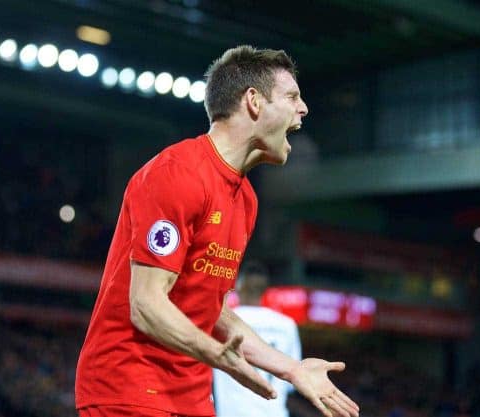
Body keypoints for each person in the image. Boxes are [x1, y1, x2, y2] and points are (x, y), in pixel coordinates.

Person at [75, 45, 359, 417]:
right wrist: (218, 357)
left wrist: (290, 368)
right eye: (292, 96)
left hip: (192, 398)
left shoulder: (246, 201)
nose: (303, 108)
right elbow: (145, 304)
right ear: (254, 101)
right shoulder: (177, 173)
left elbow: (214, 311)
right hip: (129, 390)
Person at [213, 261, 302, 417]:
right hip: (274, 413)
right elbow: (292, 379)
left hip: (232, 413)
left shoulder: (221, 321)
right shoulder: (286, 325)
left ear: (239, 286)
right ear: (264, 290)